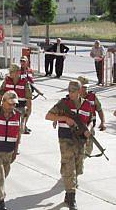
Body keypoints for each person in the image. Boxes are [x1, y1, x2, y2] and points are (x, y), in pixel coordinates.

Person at [45, 81, 93, 210]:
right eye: (69, 91)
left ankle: (68, 192)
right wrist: (64, 119)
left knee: (78, 167)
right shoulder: (63, 104)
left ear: (80, 91)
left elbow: (91, 120)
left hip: (81, 140)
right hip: (66, 138)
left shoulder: (87, 104)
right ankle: (71, 198)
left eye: (73, 91)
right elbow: (48, 116)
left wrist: (88, 128)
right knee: (69, 167)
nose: (70, 93)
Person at [0, 64, 32, 135]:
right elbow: (0, 93)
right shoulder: (6, 81)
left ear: (18, 72)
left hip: (20, 108)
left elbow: (29, 100)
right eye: (10, 72)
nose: (10, 73)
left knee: (19, 130)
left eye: (12, 72)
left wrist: (27, 113)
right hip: (7, 108)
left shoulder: (25, 83)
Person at [77, 76, 106, 157]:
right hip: (77, 128)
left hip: (90, 127)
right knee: (78, 150)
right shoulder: (73, 97)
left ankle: (79, 163)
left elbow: (99, 109)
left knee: (88, 150)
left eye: (86, 87)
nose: (85, 89)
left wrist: (103, 122)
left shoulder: (92, 97)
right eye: (83, 87)